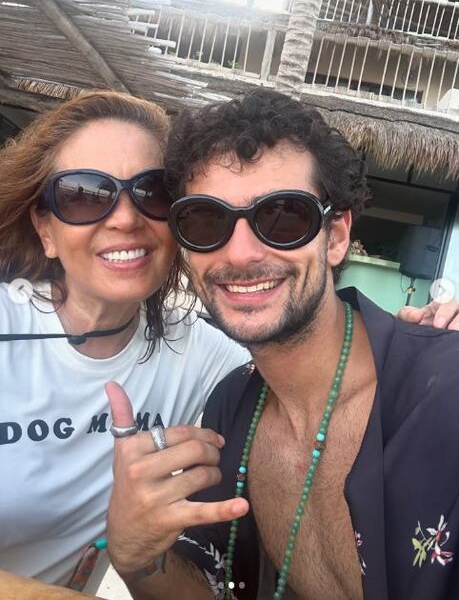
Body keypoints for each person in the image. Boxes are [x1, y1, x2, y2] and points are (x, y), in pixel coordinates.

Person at [103, 89, 459, 600]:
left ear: (336, 237)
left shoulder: (444, 397)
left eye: (284, 216)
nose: (241, 254)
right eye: (206, 221)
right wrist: (137, 558)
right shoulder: (232, 406)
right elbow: (211, 587)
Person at [0, 91, 249, 591]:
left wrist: (406, 338)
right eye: (85, 195)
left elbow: (311, 372)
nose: (126, 218)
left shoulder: (200, 353)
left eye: (152, 192)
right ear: (45, 228)